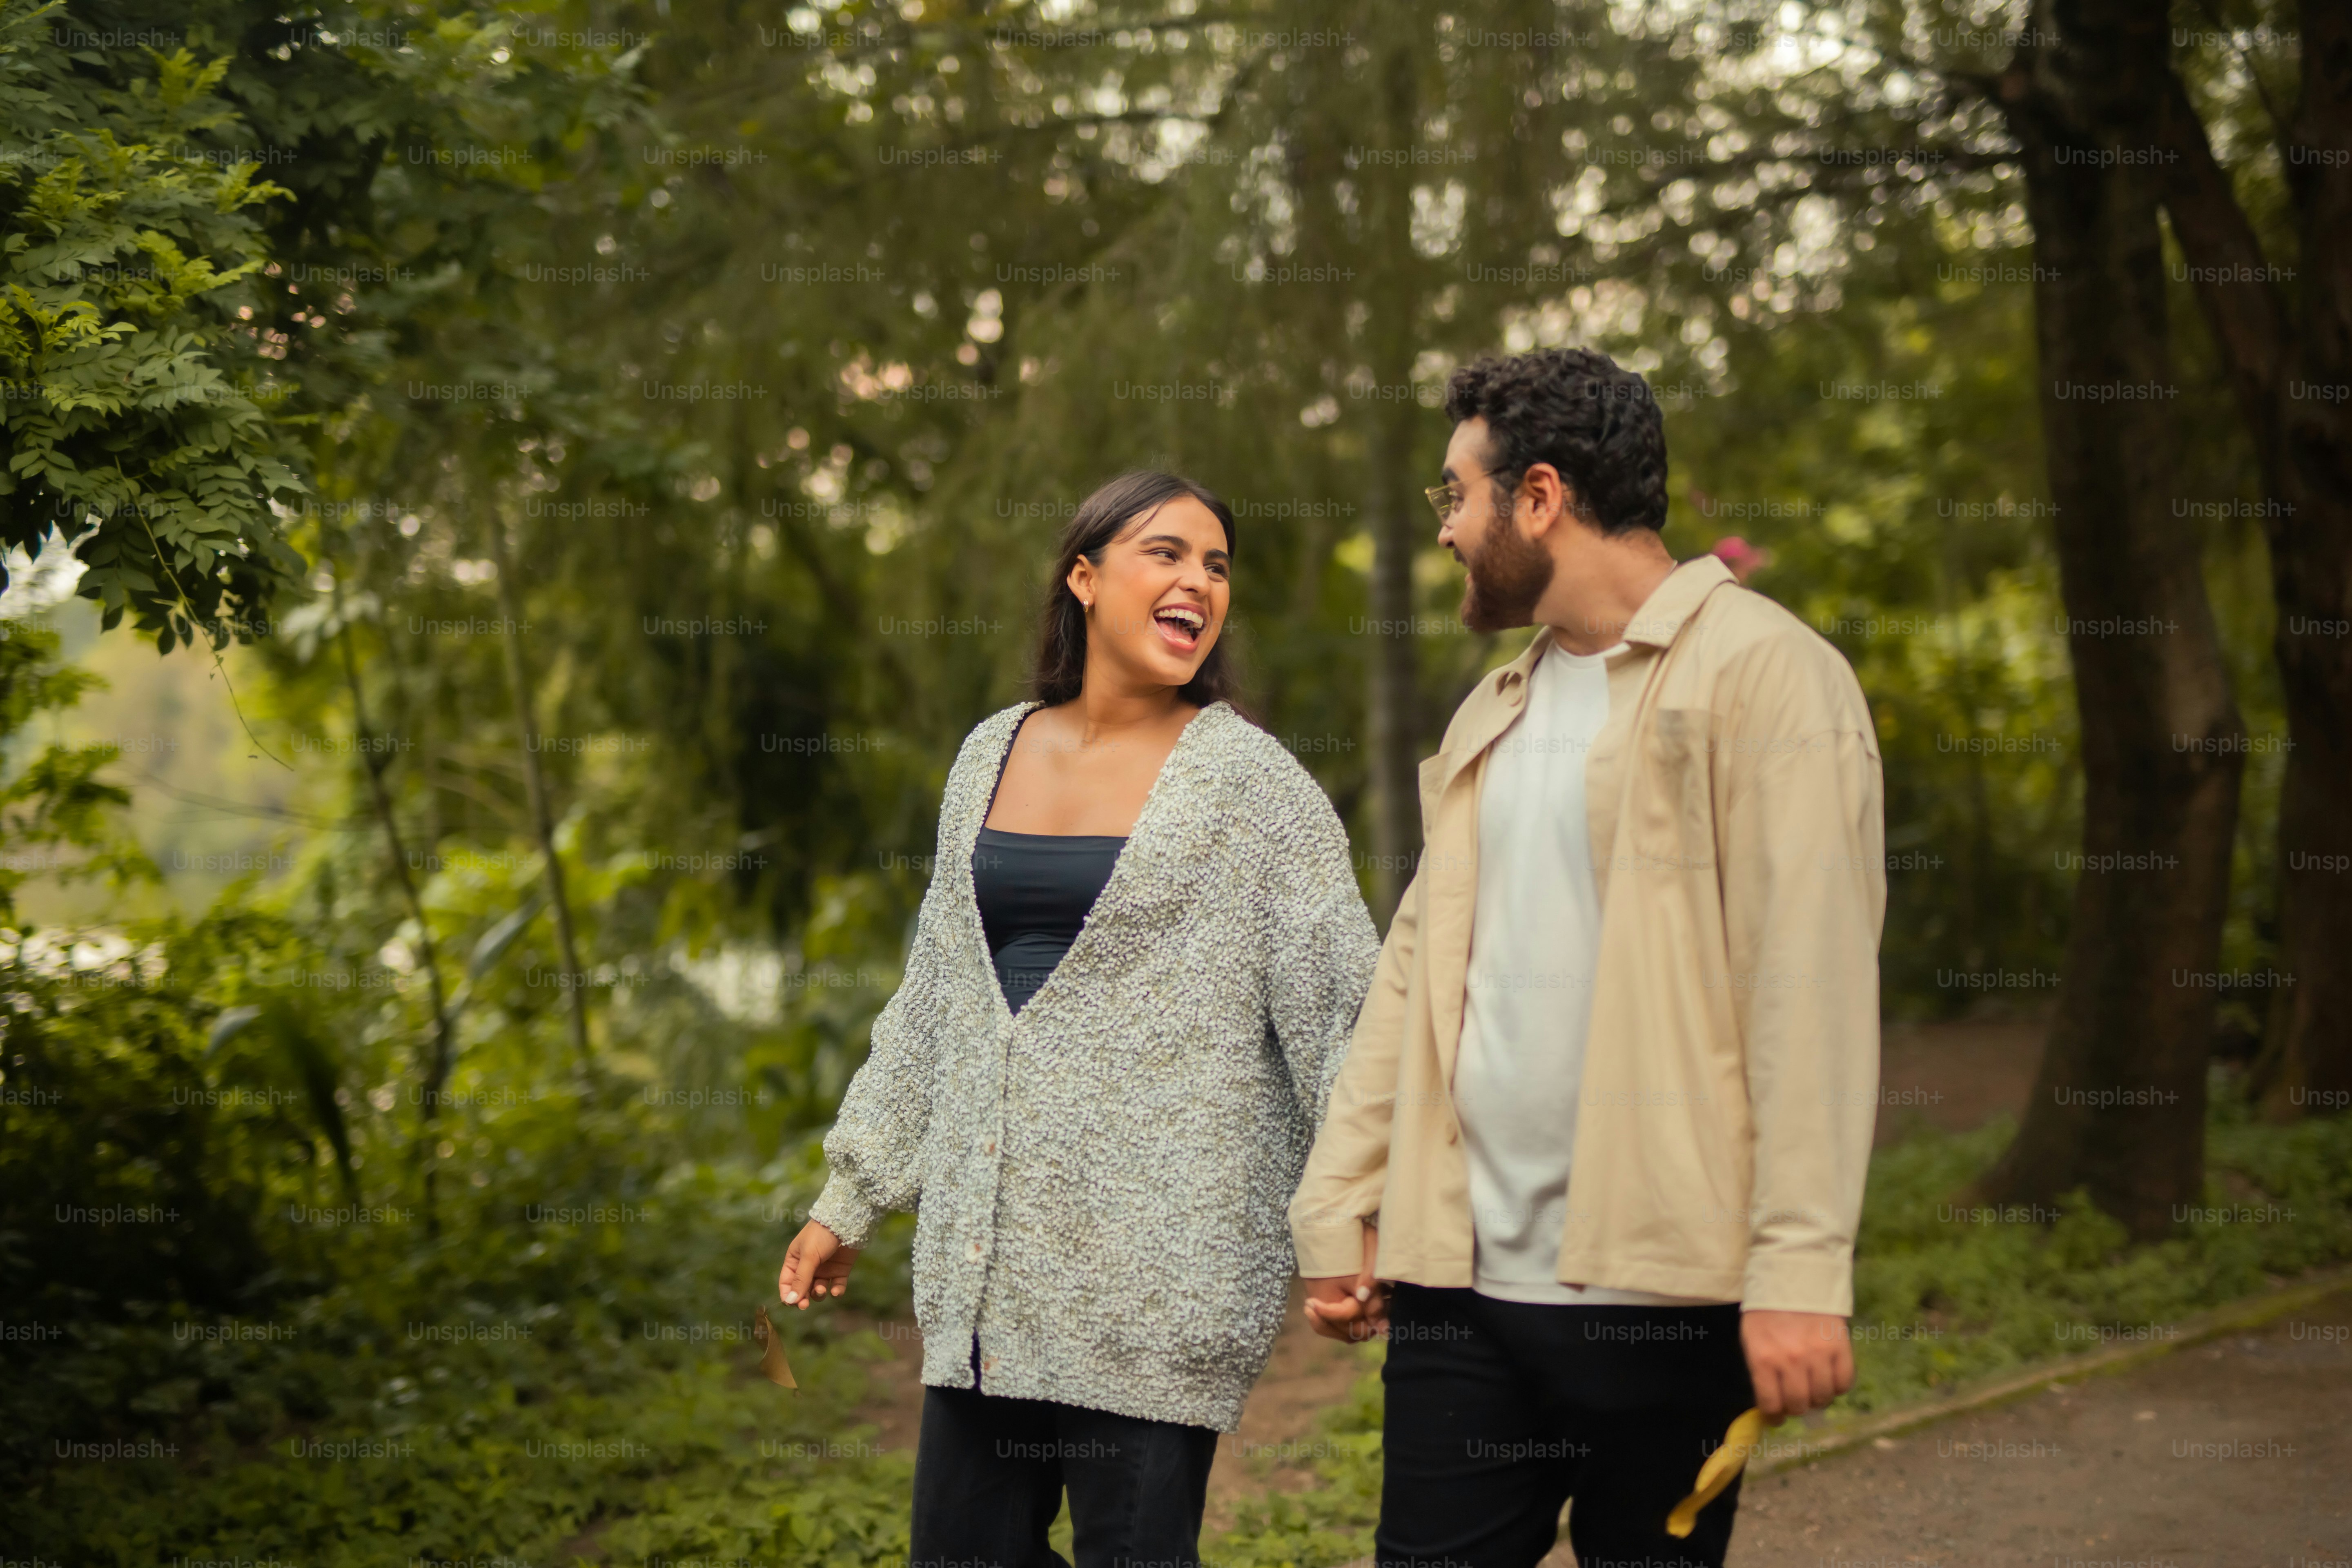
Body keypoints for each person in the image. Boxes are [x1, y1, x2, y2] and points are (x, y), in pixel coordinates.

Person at [1290, 347, 1886, 1568]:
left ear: (1542, 496)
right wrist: (1341, 1204)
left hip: (1662, 1304)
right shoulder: (1494, 708)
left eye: (1455, 496)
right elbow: (1415, 979)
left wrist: (1800, 1268)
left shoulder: (1768, 679)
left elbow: (1810, 992)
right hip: (1458, 1297)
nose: (1448, 530)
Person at [778, 470, 1379, 1568]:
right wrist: (850, 1195)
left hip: (1162, 1285)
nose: (1199, 579)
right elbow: (935, 1002)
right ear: (1085, 577)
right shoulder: (990, 753)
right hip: (986, 1285)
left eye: (1218, 564)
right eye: (1168, 553)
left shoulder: (1255, 787)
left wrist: (1352, 1225)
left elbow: (1344, 1016)